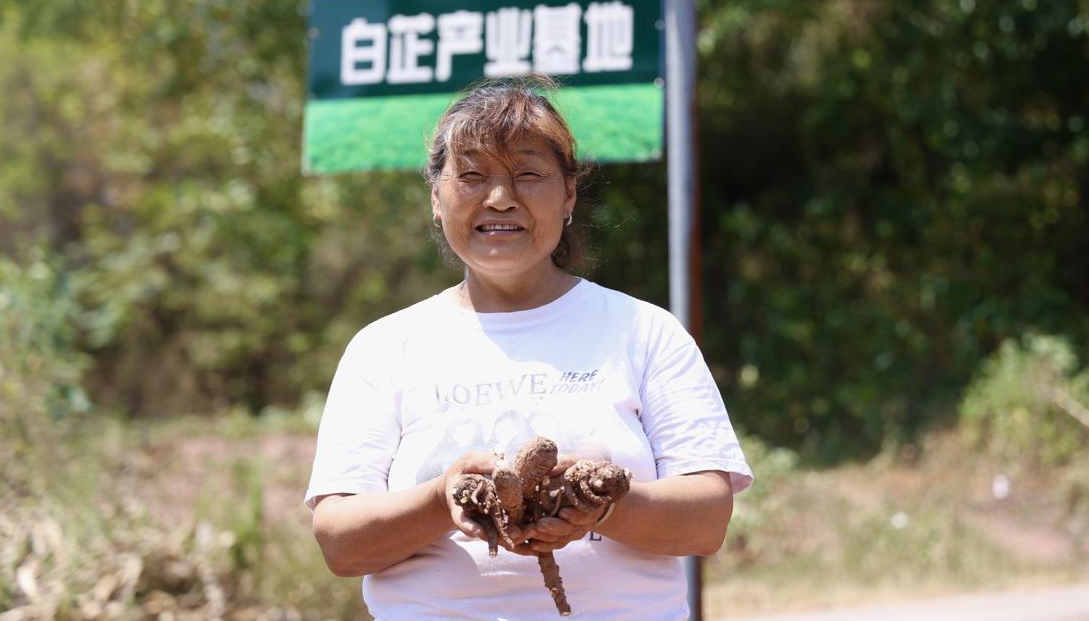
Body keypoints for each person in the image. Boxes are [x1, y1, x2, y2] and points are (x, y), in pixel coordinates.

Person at [305, 75, 753, 619]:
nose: (500, 198)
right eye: (471, 175)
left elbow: (707, 522)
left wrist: (602, 504)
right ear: (436, 199)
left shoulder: (645, 331)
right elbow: (340, 542)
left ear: (568, 195)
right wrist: (440, 497)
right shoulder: (383, 348)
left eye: (528, 175)